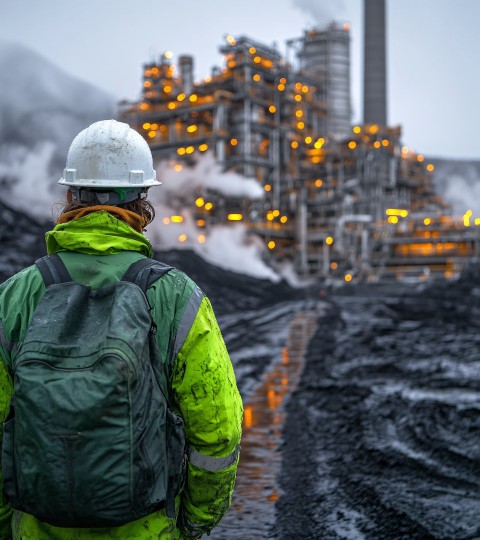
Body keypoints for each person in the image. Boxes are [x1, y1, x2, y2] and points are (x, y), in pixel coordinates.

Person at [0, 119, 243, 539]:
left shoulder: (16, 296)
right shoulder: (175, 296)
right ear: (142, 202)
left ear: (70, 195)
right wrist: (195, 521)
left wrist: (8, 523)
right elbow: (219, 431)